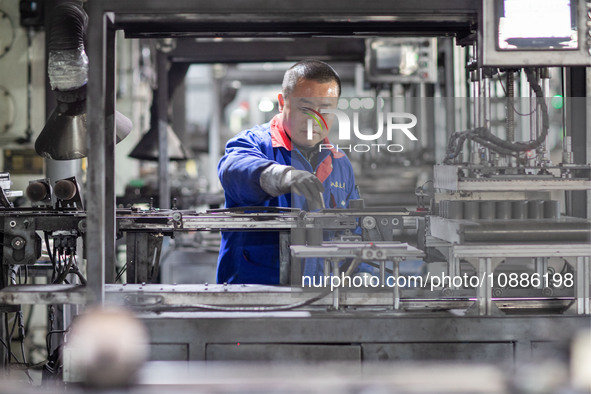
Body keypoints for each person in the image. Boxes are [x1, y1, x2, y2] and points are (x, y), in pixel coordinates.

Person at [217, 59, 362, 284]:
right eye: (305, 108)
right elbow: (233, 170)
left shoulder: (340, 163)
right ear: (282, 102)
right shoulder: (253, 144)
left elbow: (357, 236)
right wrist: (281, 176)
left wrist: (366, 279)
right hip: (252, 300)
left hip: (320, 300)